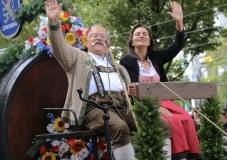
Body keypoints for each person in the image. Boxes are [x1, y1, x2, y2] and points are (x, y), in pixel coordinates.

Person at [44, 0, 138, 159]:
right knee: (119, 128)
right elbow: (58, 49)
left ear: (108, 43)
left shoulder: (119, 67)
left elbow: (132, 93)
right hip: (95, 106)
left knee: (155, 125)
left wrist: (134, 91)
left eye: (103, 37)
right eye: (94, 36)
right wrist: (53, 23)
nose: (99, 39)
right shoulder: (78, 57)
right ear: (86, 41)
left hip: (123, 104)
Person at [120, 1, 202, 160]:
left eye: (145, 34)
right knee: (172, 122)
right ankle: (178, 156)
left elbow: (177, 45)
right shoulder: (127, 62)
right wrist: (155, 109)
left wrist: (179, 22)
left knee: (186, 118)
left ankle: (193, 156)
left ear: (149, 41)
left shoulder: (156, 58)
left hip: (166, 102)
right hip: (144, 105)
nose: (141, 35)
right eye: (137, 34)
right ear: (132, 42)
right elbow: (133, 91)